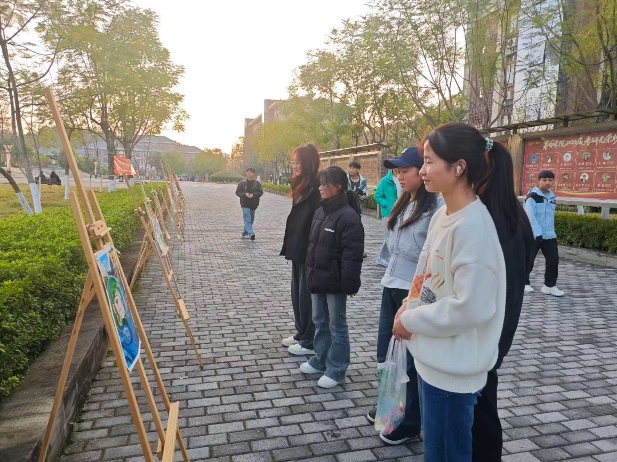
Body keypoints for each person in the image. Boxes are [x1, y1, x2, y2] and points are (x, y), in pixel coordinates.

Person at [392, 123, 510, 461]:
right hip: (433, 361)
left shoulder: (473, 227)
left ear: (459, 167)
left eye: (429, 161)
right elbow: (425, 272)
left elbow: (472, 307)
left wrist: (411, 320)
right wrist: (408, 305)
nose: (422, 170)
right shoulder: (443, 214)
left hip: (452, 372)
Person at [366, 146, 443, 445]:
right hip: (392, 282)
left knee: (410, 358)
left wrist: (416, 297)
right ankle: (390, 406)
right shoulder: (404, 202)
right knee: (388, 351)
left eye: (405, 171)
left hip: (412, 290)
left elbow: (431, 259)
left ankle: (410, 422)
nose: (399, 176)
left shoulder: (434, 208)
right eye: (396, 171)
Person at [471, 144, 535, 461]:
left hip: (487, 327)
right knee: (482, 400)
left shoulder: (492, 221)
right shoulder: (512, 215)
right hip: (499, 324)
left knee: (480, 406)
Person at [300, 166, 364, 388]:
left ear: (337, 186)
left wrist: (349, 284)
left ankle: (336, 369)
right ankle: (320, 359)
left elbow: (352, 255)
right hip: (318, 277)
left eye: (324, 184)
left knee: (337, 325)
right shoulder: (321, 211)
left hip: (335, 282)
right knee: (319, 321)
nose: (320, 188)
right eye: (320, 183)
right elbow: (313, 246)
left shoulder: (348, 217)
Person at [280, 144, 321, 356]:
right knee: (296, 294)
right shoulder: (301, 185)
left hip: (310, 249)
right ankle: (301, 333)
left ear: (308, 162)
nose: (294, 166)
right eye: (293, 162)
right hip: (298, 248)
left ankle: (309, 341)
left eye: (298, 162)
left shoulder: (317, 187)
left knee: (306, 297)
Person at [524, 170, 564, 296]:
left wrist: (551, 232)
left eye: (550, 180)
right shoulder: (532, 197)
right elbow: (530, 217)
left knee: (553, 260)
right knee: (528, 260)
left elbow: (550, 217)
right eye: (544, 180)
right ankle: (523, 283)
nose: (547, 182)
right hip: (534, 235)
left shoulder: (552, 196)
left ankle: (549, 286)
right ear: (538, 181)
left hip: (549, 235)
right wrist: (537, 234)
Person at [374, 168, 401, 267]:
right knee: (389, 236)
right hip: (388, 213)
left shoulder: (402, 178)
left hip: (401, 211)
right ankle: (394, 260)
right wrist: (387, 205)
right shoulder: (385, 180)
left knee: (393, 235)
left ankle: (382, 257)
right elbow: (377, 196)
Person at [235, 168, 263, 241]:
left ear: (254, 174)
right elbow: (237, 192)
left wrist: (253, 195)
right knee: (247, 218)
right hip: (245, 203)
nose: (250, 174)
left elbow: (260, 192)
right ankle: (251, 234)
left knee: (251, 220)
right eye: (248, 172)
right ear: (246, 173)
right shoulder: (242, 183)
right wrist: (245, 194)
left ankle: (245, 233)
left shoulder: (257, 183)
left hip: (253, 204)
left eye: (251, 173)